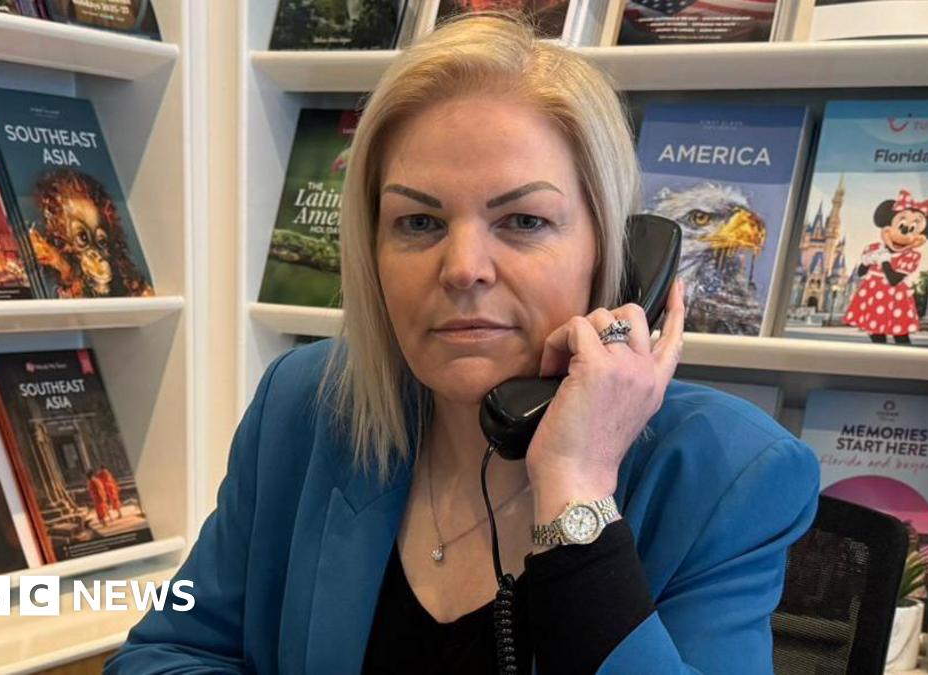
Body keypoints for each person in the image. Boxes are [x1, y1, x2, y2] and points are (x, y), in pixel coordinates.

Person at [106, 11, 818, 674]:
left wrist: (576, 494)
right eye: (418, 223)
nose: (462, 268)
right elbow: (165, 651)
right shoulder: (305, 405)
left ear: (613, 255)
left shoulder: (730, 476)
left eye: (523, 221)